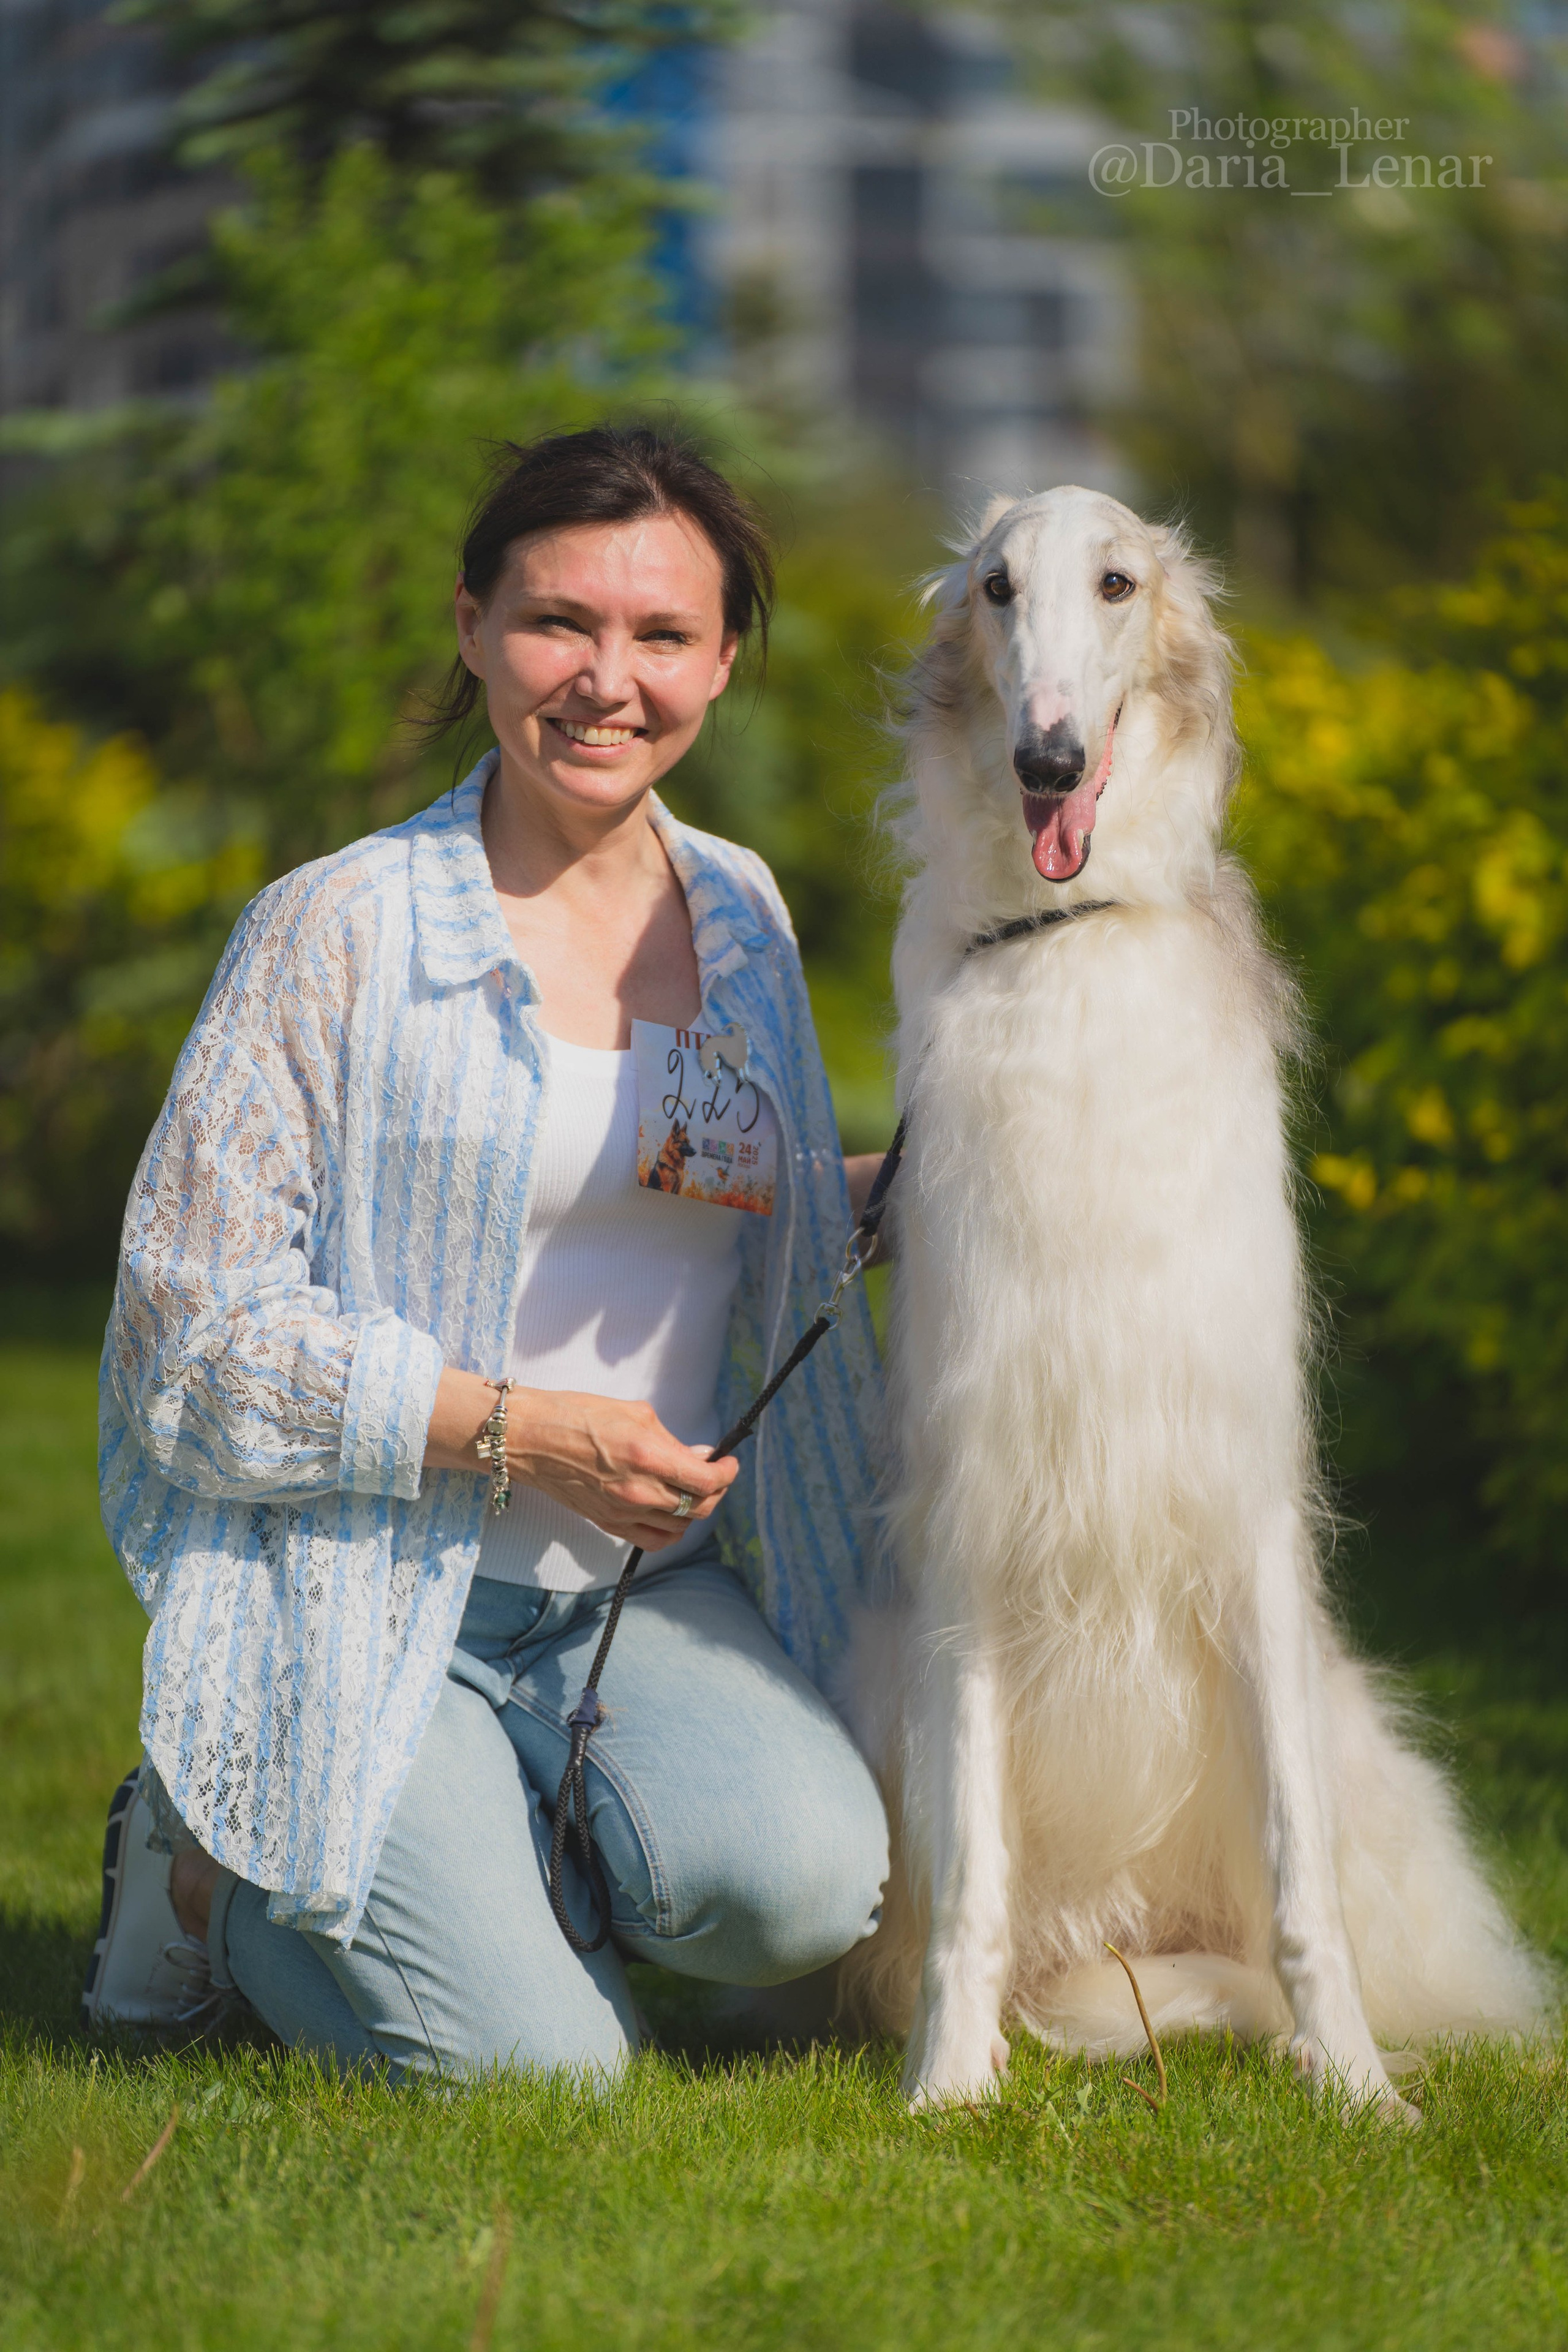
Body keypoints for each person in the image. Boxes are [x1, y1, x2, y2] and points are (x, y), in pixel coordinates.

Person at [84, 424, 890, 2079]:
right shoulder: (340, 926)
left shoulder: (739, 917)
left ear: (725, 660)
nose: (608, 680)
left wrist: (952, 1180)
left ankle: (478, 1833)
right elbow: (191, 1331)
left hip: (641, 1600)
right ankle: (205, 1862)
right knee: (542, 2079)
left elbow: (735, 1192)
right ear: (471, 629)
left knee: (805, 1895)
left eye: (662, 635)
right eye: (556, 624)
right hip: (377, 1577)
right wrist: (515, 1428)